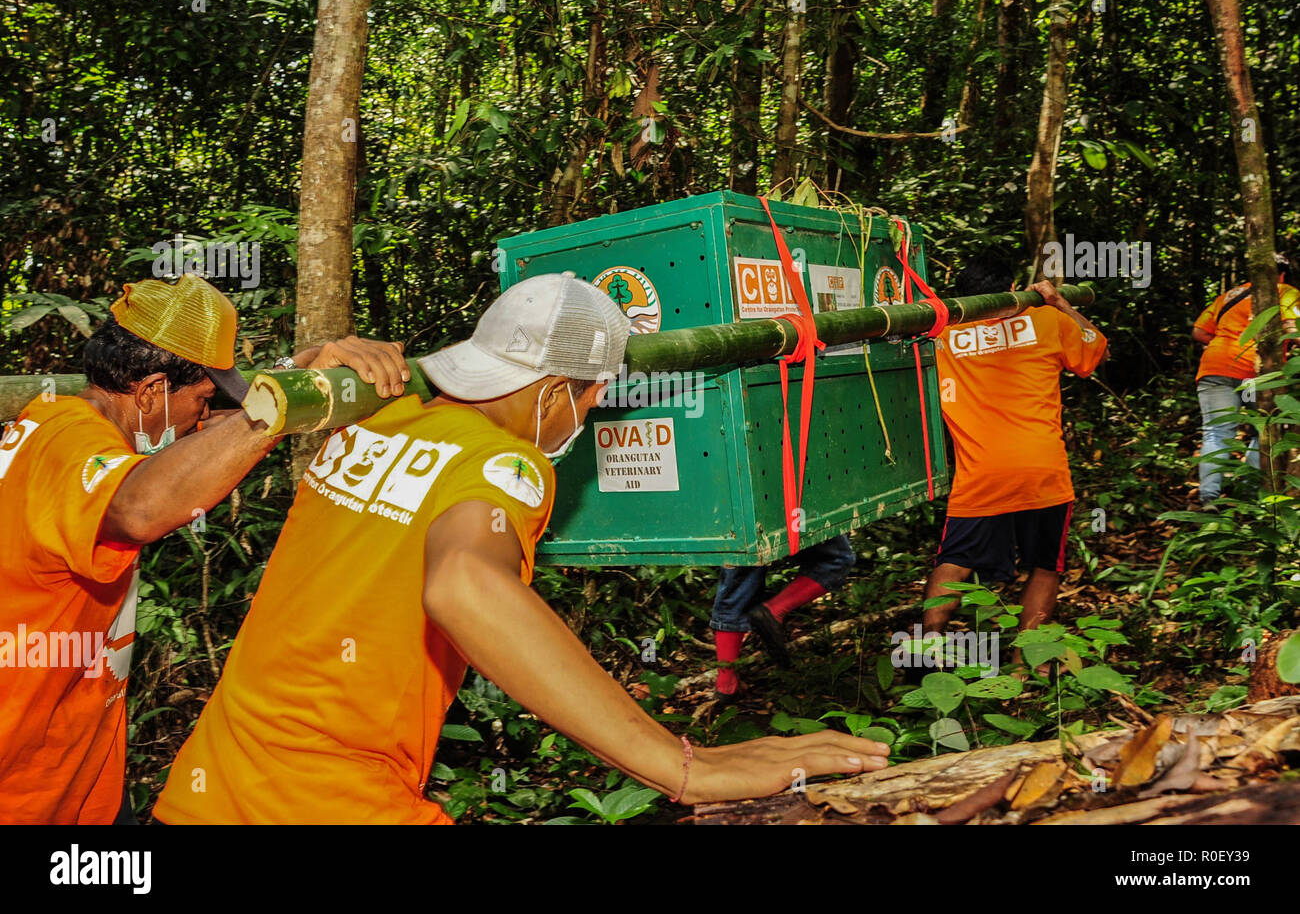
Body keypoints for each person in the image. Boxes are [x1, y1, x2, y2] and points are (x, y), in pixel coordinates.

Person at [153, 274, 889, 824]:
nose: (595, 407)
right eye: (594, 391)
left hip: (208, 785)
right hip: (328, 802)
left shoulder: (380, 412)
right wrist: (682, 765)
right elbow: (464, 584)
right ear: (556, 389)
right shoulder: (507, 465)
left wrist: (315, 359)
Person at [0, 273, 408, 824]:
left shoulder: (57, 421)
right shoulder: (68, 445)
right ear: (149, 391)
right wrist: (272, 412)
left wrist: (303, 367)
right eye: (200, 399)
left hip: (76, 774)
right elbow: (139, 509)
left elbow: (218, 427)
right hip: (24, 791)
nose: (203, 417)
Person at [920, 254, 1107, 649]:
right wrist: (1060, 303)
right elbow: (1097, 352)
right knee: (1044, 566)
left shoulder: (942, 334)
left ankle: (925, 648)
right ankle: (1025, 669)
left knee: (953, 559)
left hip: (981, 472)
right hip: (1042, 469)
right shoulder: (1048, 320)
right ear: (1011, 289)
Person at [1190, 253, 1298, 506]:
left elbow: (1199, 331)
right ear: (1282, 274)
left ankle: (1209, 499)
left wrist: (1228, 345)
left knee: (1215, 433)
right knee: (1261, 429)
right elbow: (1293, 329)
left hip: (1215, 368)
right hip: (1254, 374)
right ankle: (1249, 494)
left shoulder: (1230, 294)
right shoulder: (1285, 291)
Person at [711, 535, 856, 701]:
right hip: (793, 511)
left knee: (738, 576)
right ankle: (773, 610)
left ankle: (726, 685)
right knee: (836, 559)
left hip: (738, 515)